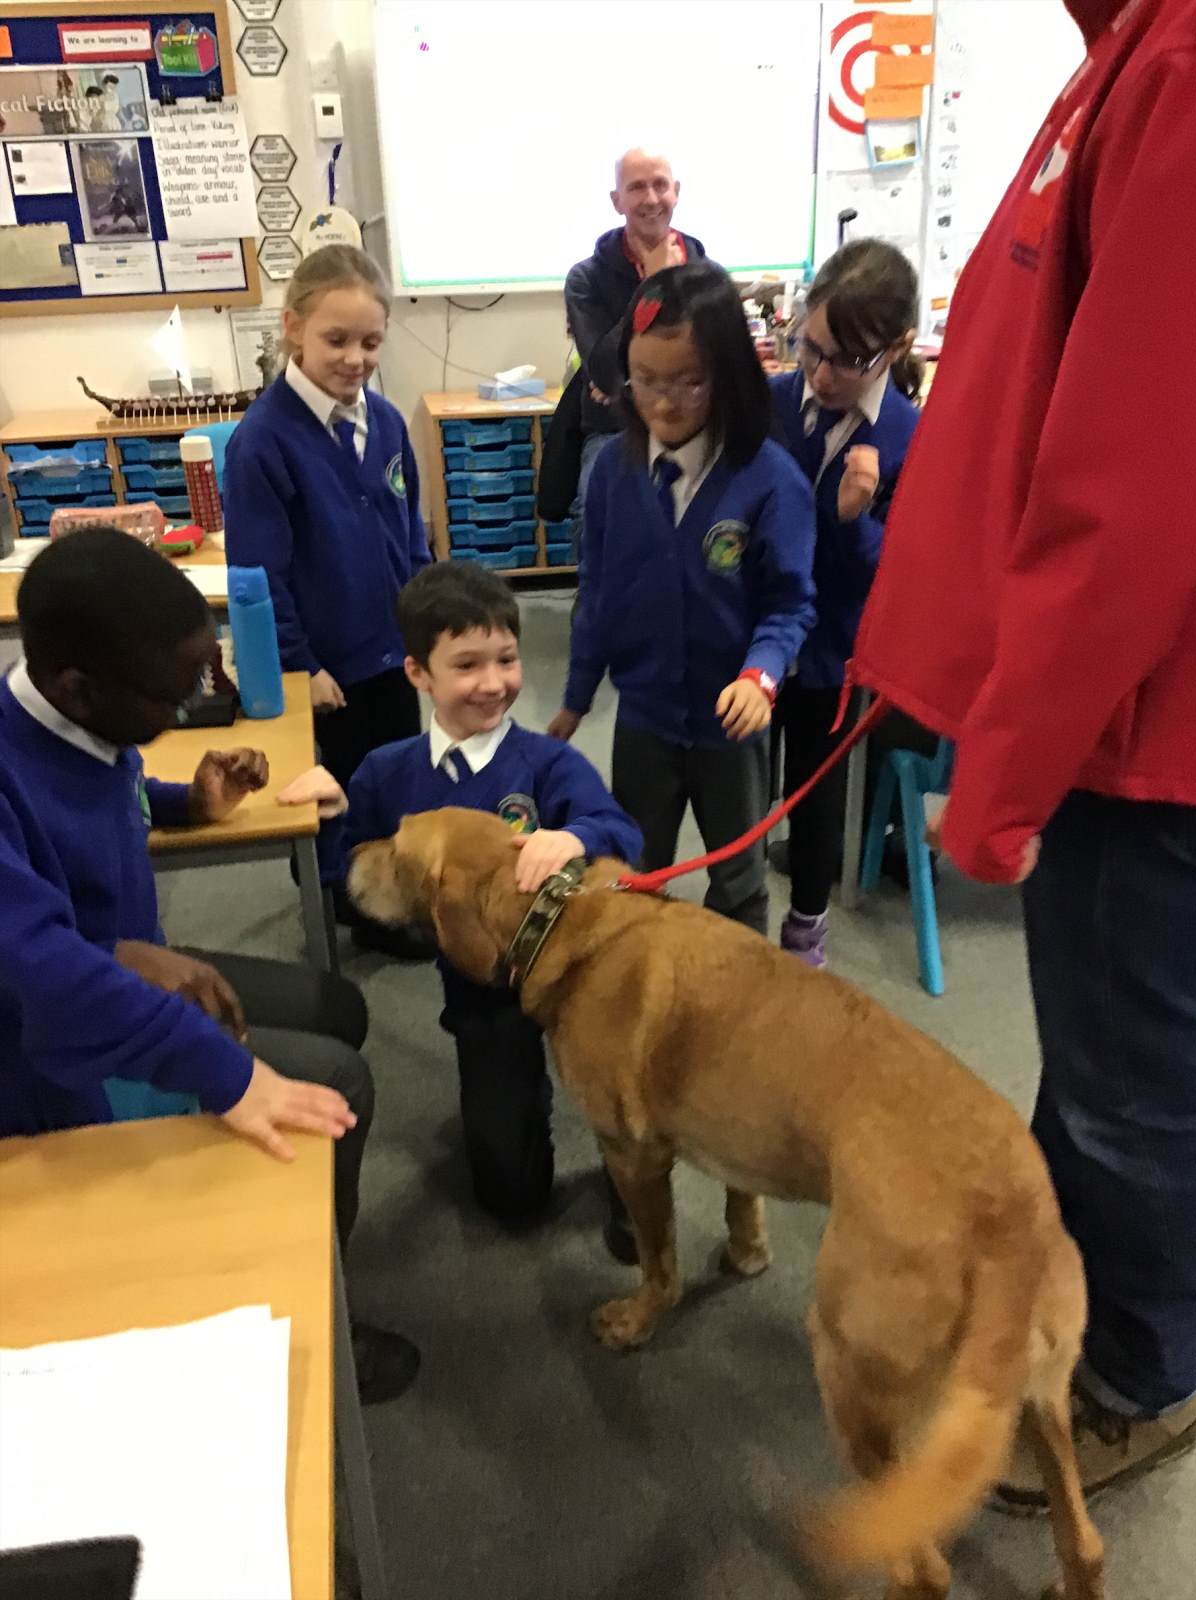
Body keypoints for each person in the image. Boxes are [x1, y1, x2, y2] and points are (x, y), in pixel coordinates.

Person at [847, 0, 1196, 1503]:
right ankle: (1074, 1313)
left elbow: (1134, 493)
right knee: (1112, 1065)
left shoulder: (1180, 65)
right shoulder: (1126, 57)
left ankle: (1138, 1373)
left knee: (1136, 1094)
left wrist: (996, 780)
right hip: (1113, 724)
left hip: (1141, 740)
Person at [0, 529, 418, 1403]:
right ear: (77, 686)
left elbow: (108, 789)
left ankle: (301, 1239)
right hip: (52, 1054)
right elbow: (41, 973)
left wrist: (185, 803)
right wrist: (232, 1078)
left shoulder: (78, 719)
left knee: (335, 1008)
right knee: (335, 1084)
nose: (199, 699)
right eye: (175, 691)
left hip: (115, 973)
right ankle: (307, 1318)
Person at [334, 561, 643, 1257]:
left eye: (506, 659)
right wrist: (327, 812)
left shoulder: (546, 763)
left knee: (621, 1094)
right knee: (510, 1194)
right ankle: (513, 1103)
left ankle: (627, 1181)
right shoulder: (386, 772)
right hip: (485, 995)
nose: (494, 682)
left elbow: (622, 832)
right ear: (418, 673)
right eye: (467, 664)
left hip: (577, 980)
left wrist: (573, 836)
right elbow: (351, 870)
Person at [549, 261, 817, 936]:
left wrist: (760, 677)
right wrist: (577, 696)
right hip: (645, 718)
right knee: (633, 873)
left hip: (732, 726)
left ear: (727, 375)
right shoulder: (612, 475)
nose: (664, 403)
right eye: (645, 381)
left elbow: (789, 605)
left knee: (739, 879)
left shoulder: (770, 480)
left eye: (689, 382)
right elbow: (599, 593)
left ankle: (737, 993)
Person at [224, 244, 430, 796]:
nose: (355, 358)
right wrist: (302, 667)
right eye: (336, 340)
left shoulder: (386, 421)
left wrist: (425, 629)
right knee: (340, 805)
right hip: (325, 675)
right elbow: (259, 577)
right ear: (294, 327)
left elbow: (411, 536)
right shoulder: (262, 442)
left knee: (400, 794)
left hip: (394, 655)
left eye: (371, 343)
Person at [768, 240, 922, 967]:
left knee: (816, 793)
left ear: (898, 348)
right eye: (811, 347)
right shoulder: (770, 405)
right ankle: (735, 924)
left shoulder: (908, 436)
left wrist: (856, 520)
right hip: (754, 639)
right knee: (737, 783)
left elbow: (899, 570)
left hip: (834, 647)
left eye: (848, 360)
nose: (822, 374)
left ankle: (806, 932)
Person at [563, 150, 709, 548]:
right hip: (615, 429)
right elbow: (604, 371)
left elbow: (714, 362)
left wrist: (627, 382)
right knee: (596, 514)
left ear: (676, 192)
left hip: (694, 424)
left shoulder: (705, 272)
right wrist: (654, 287)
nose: (651, 198)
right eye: (637, 188)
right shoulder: (585, 279)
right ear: (617, 201)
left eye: (660, 185)